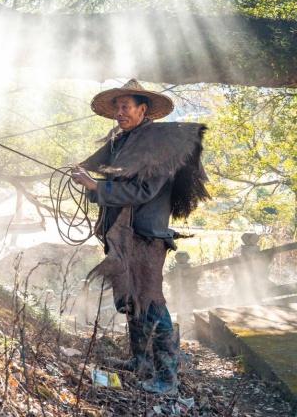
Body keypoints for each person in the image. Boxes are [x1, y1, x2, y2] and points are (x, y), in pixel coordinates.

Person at [70, 79, 209, 395]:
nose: (120, 112)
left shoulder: (159, 144)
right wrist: (90, 183)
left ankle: (167, 378)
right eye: (117, 107)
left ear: (143, 109)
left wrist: (95, 186)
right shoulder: (121, 143)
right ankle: (140, 362)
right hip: (122, 233)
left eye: (126, 106)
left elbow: (143, 190)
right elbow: (115, 192)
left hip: (146, 235)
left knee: (151, 303)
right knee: (132, 299)